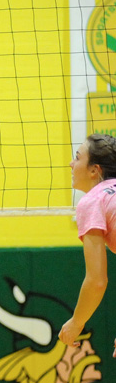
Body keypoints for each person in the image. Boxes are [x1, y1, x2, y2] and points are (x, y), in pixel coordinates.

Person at [60, 133, 116, 361]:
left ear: (95, 170)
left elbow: (97, 281)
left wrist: (76, 322)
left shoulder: (93, 201)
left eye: (77, 157)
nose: (71, 164)